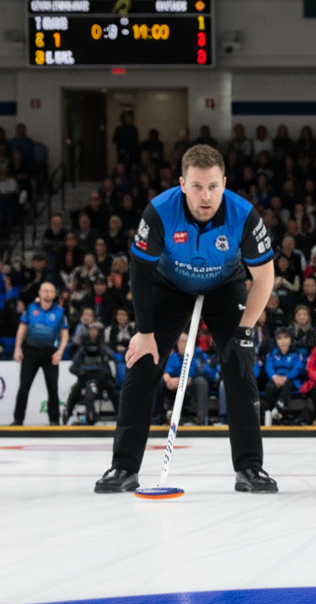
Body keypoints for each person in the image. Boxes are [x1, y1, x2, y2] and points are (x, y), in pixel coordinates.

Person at [95, 144, 277, 493]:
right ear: (182, 183)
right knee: (142, 364)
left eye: (212, 186)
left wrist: (244, 330)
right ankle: (123, 467)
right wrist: (145, 332)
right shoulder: (159, 212)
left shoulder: (244, 215)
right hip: (169, 285)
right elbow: (140, 274)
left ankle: (250, 468)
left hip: (225, 286)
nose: (205, 196)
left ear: (224, 183)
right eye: (196, 186)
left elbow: (264, 277)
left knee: (240, 366)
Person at [11, 281, 68, 427]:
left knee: (52, 387)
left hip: (50, 352)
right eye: (45, 291)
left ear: (54, 294)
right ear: (40, 293)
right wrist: (17, 348)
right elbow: (22, 329)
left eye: (50, 291)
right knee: (24, 386)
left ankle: (54, 420)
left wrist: (60, 352)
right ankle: (18, 420)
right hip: (31, 351)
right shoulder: (31, 309)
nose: (47, 294)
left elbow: (65, 334)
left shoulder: (60, 312)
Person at [64, 321, 119, 425]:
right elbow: (73, 367)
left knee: (113, 390)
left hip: (101, 378)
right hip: (85, 377)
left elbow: (114, 359)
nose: (93, 333)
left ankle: (120, 416)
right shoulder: (83, 348)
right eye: (91, 331)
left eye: (95, 331)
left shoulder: (103, 347)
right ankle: (68, 415)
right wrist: (81, 372)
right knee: (74, 392)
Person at [162, 331, 210, 426]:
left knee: (201, 382)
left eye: (185, 341)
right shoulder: (174, 356)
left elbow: (205, 370)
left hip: (193, 384)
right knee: (160, 384)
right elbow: (166, 372)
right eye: (180, 341)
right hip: (176, 386)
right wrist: (168, 380)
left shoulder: (198, 355)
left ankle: (201, 420)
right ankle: (161, 418)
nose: (182, 344)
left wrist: (187, 380)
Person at [262, 328, 304, 422]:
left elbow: (297, 368)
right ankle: (267, 413)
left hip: (291, 380)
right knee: (270, 386)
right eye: (279, 338)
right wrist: (274, 377)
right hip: (276, 379)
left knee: (287, 385)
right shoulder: (271, 354)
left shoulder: (296, 353)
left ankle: (279, 409)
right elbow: (269, 367)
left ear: (290, 339)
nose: (283, 341)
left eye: (285, 337)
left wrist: (286, 377)